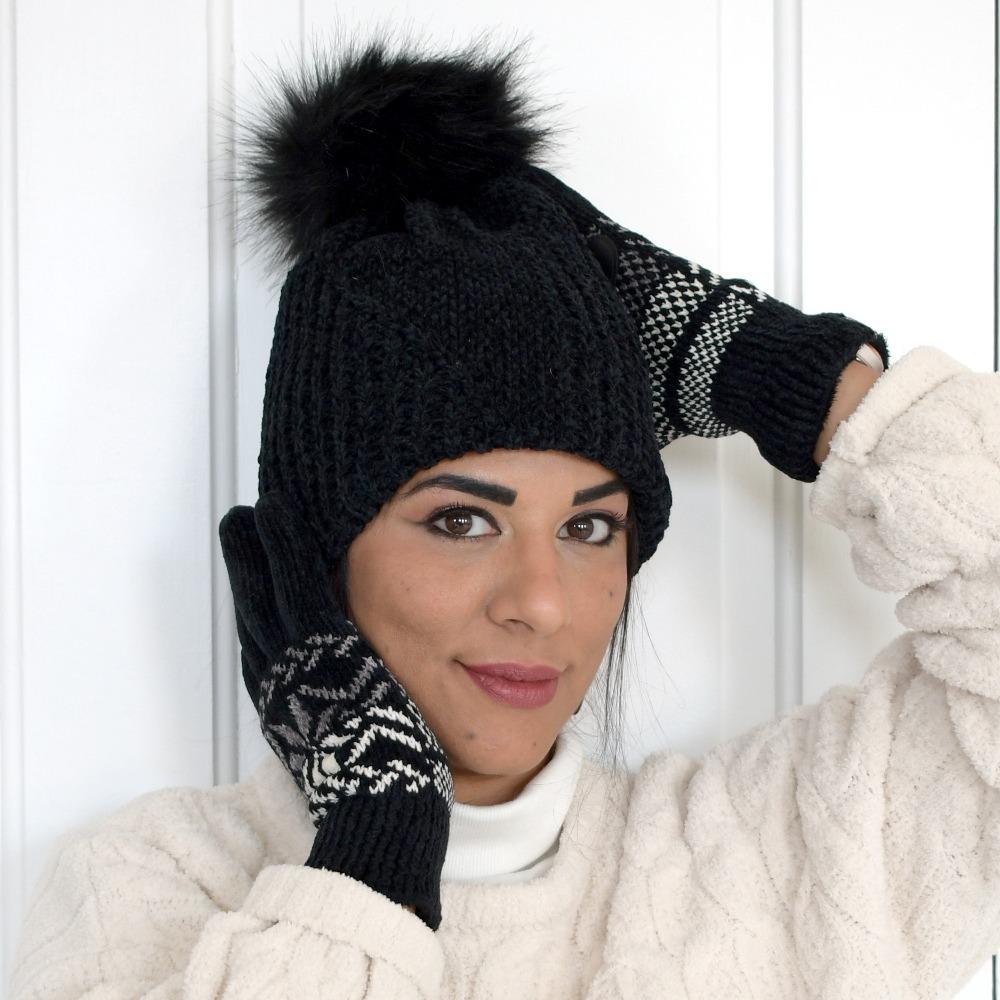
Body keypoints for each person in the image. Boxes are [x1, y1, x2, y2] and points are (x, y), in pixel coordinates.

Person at [10, 34, 1000, 1000]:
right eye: (459, 522)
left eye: (587, 528)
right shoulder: (146, 889)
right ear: (317, 553)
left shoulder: (779, 860)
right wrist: (375, 840)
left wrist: (784, 375)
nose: (542, 602)